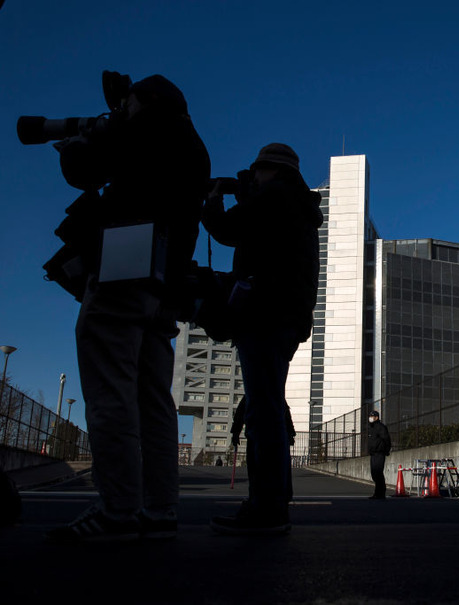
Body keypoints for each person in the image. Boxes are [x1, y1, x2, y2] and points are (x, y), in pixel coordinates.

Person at [47, 74, 210, 542]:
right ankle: (159, 508)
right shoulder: (193, 147)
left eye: (131, 101)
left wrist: (91, 135)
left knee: (110, 388)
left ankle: (117, 509)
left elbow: (82, 167)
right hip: (164, 283)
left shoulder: (144, 128)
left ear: (147, 103)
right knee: (153, 398)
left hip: (123, 265)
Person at [204, 143, 323, 535]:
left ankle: (267, 506)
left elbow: (226, 230)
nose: (252, 177)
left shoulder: (275, 196)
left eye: (255, 171)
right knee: (268, 403)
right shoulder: (297, 205)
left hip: (265, 314)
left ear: (268, 169)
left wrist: (213, 202)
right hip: (287, 318)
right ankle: (274, 501)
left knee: (262, 409)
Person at [367, 411, 392, 499]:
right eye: (370, 416)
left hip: (379, 453)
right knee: (374, 473)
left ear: (376, 417)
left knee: (378, 473)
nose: (370, 417)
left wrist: (387, 450)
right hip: (373, 453)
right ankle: (377, 493)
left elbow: (386, 439)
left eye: (372, 416)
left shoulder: (380, 427)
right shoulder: (371, 427)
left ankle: (381, 493)